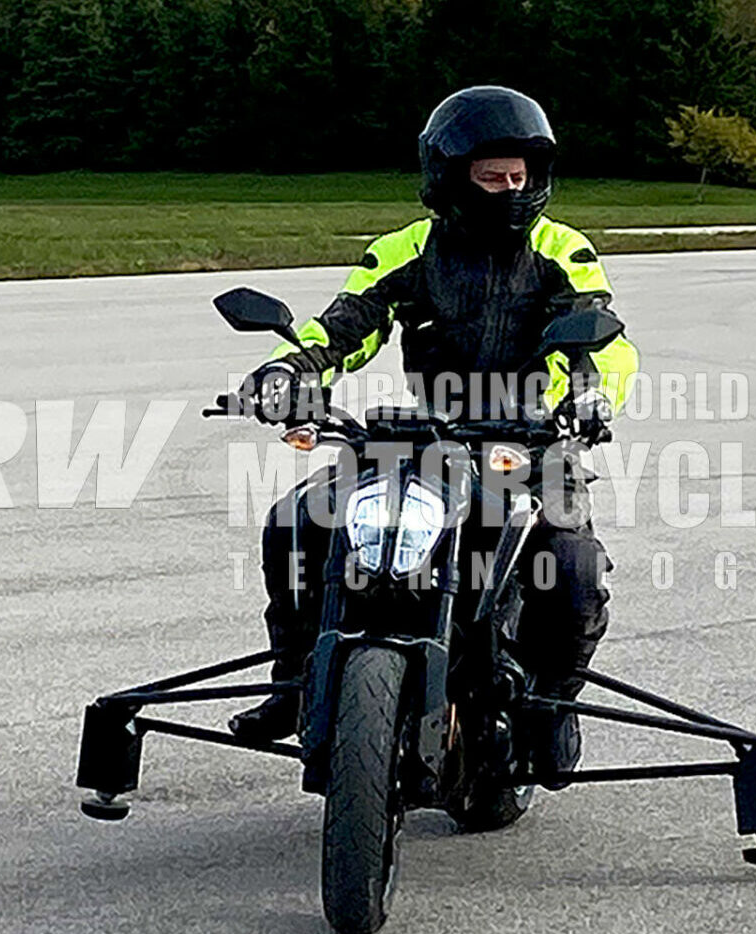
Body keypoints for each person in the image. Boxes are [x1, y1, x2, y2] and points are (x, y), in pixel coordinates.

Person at [226, 85, 639, 787]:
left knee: (571, 565)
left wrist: (583, 397)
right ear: (449, 175)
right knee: (294, 520)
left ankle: (550, 707)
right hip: (426, 437)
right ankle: (295, 677)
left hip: (532, 439)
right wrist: (291, 367)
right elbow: (346, 325)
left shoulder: (562, 248)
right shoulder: (406, 248)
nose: (510, 190)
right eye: (491, 176)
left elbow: (598, 338)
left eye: (520, 176)